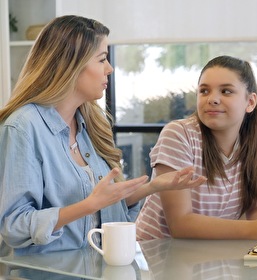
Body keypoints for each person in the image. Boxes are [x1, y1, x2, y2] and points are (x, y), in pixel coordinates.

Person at [0, 15, 206, 256]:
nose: (110, 68)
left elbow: (107, 208)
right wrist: (89, 205)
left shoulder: (92, 124)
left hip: (97, 269)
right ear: (70, 65)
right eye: (102, 59)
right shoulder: (23, 128)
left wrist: (154, 186)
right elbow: (13, 225)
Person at [135, 55, 257, 241]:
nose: (212, 99)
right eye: (204, 91)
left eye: (226, 91)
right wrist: (256, 229)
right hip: (158, 260)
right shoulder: (179, 135)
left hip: (212, 256)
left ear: (250, 102)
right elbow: (180, 224)